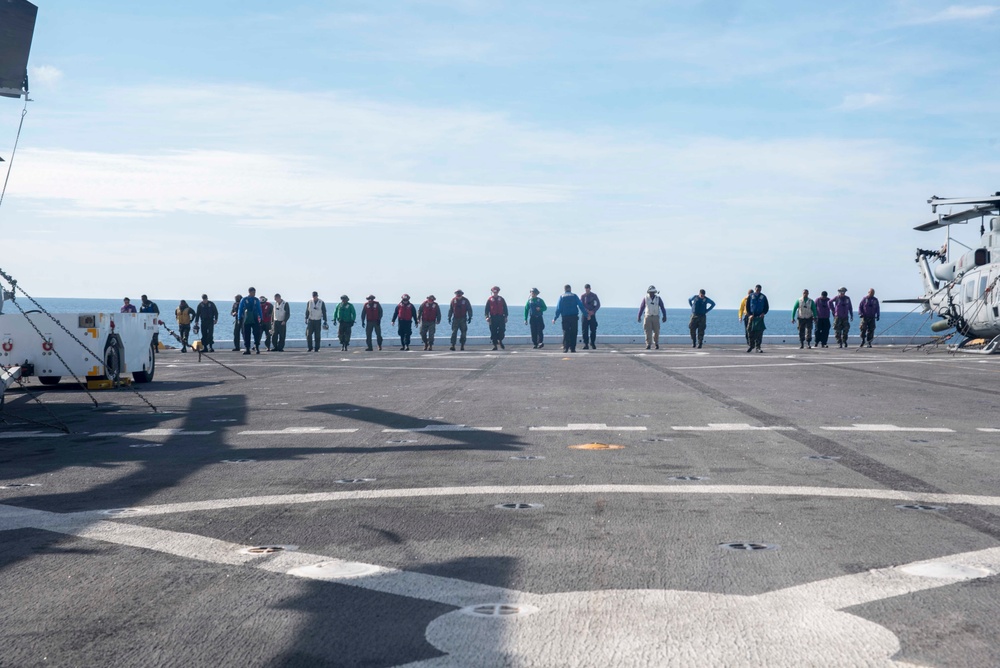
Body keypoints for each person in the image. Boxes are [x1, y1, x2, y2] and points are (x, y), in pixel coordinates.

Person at [553, 284, 587, 353]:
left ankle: (565, 348)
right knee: (574, 332)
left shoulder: (562, 297)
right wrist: (586, 314)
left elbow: (559, 308)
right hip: (574, 317)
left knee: (566, 332)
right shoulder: (574, 296)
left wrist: (555, 318)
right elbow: (580, 305)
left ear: (564, 289)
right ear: (570, 289)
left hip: (565, 317)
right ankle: (573, 348)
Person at [637, 286, 667, 350]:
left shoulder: (658, 298)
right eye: (651, 292)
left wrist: (664, 316)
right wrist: (639, 316)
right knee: (648, 331)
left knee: (656, 331)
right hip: (648, 316)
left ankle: (656, 343)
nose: (652, 293)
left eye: (653, 292)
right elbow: (642, 307)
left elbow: (662, 307)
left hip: (656, 316)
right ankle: (648, 344)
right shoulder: (645, 298)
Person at [238, 288, 263, 355]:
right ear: (249, 292)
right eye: (253, 292)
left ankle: (257, 347)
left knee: (256, 333)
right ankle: (247, 349)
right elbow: (240, 309)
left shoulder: (256, 300)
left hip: (255, 319)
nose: (254, 293)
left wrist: (261, 318)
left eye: (254, 292)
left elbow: (259, 309)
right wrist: (239, 318)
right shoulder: (244, 299)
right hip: (246, 319)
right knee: (246, 334)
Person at [746, 284, 769, 353]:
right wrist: (749, 315)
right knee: (749, 330)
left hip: (759, 317)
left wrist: (763, 313)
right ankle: (751, 345)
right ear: (755, 289)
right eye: (757, 289)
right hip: (752, 317)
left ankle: (758, 347)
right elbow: (747, 306)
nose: (758, 290)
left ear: (761, 290)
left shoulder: (763, 297)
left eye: (759, 289)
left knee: (759, 332)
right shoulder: (751, 296)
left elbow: (766, 307)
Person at [485, 286, 509, 350]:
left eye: (496, 291)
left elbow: (505, 308)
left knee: (502, 330)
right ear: (492, 292)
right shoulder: (489, 300)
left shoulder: (501, 299)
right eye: (494, 292)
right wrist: (487, 317)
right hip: (493, 317)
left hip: (501, 317)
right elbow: (486, 309)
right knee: (493, 331)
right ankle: (495, 345)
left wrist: (506, 317)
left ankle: (500, 340)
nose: (495, 293)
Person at [580, 284, 601, 350]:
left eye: (588, 288)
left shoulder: (594, 296)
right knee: (584, 330)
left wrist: (593, 311)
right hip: (585, 315)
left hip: (592, 314)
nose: (587, 289)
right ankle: (586, 344)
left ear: (590, 288)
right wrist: (586, 312)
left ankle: (592, 342)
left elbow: (598, 305)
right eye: (586, 288)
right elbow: (581, 306)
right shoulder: (583, 296)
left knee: (593, 329)